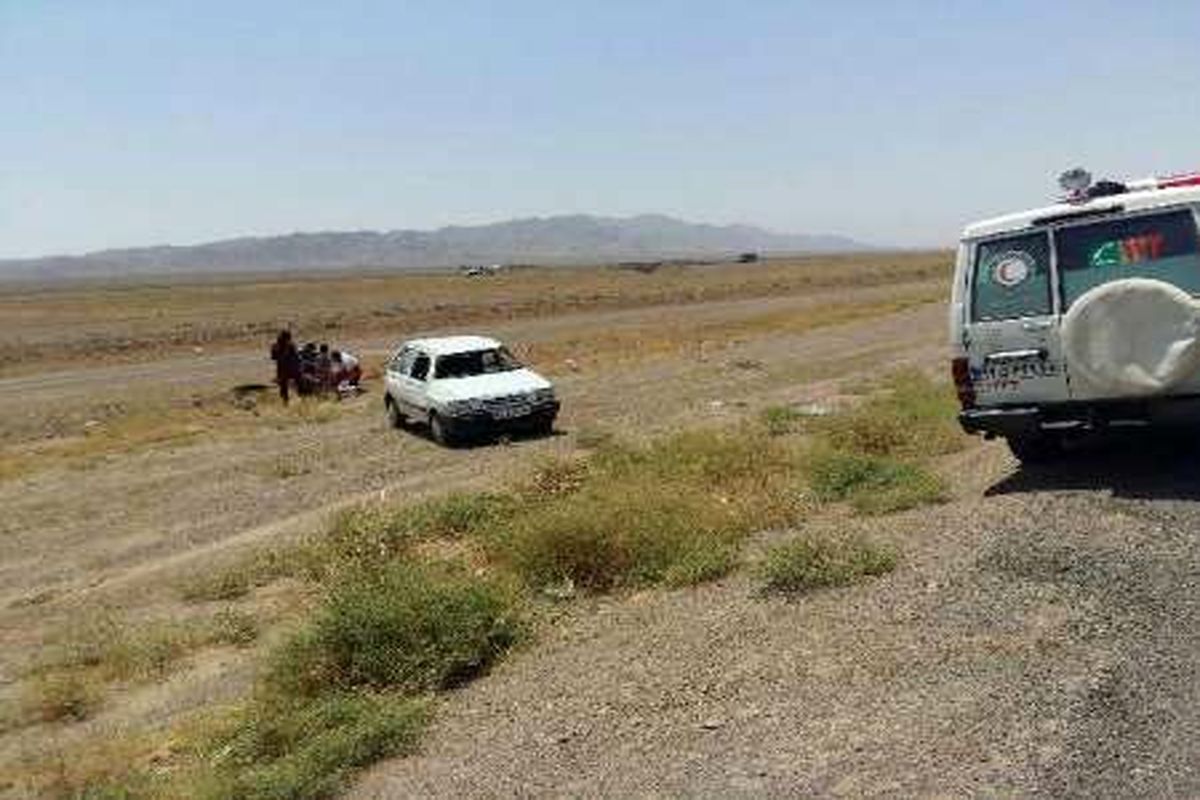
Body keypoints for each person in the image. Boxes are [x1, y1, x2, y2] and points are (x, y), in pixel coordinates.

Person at [269, 330, 301, 404]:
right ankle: (287, 400)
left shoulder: (276, 346)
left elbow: (273, 357)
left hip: (282, 368)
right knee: (287, 385)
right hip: (289, 368)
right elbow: (296, 357)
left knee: (284, 386)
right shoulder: (289, 345)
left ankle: (286, 400)